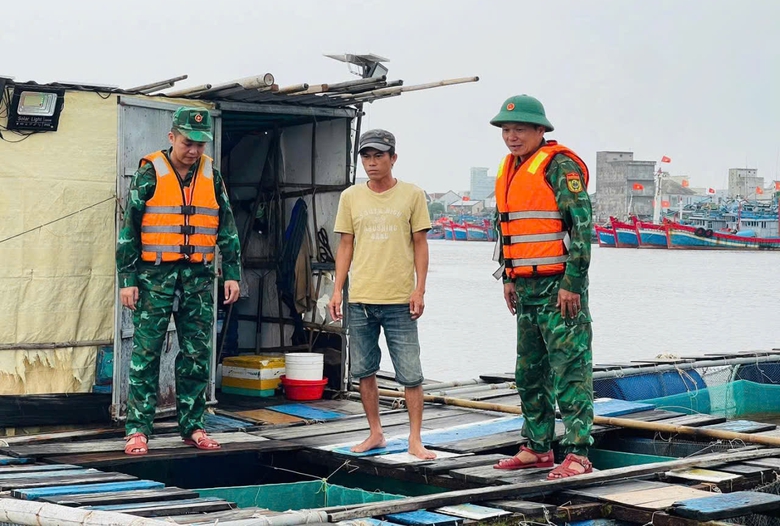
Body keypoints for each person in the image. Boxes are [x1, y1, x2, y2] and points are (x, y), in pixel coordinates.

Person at [116, 107, 242, 456]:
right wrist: (127, 278)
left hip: (199, 276)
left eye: (201, 144)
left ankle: (194, 426)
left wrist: (231, 273)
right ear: (172, 137)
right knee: (146, 352)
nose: (194, 150)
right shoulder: (149, 172)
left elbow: (227, 228)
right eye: (188, 142)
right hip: (154, 274)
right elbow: (129, 228)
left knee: (196, 353)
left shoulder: (211, 175)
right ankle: (138, 429)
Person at [489, 95, 594, 479]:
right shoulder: (510, 168)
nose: (511, 137)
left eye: (519, 129)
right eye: (506, 130)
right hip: (525, 286)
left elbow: (582, 228)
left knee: (570, 369)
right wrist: (509, 277)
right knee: (529, 371)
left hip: (558, 286)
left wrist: (573, 284)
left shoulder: (559, 166)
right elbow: (508, 230)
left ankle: (579, 454)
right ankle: (538, 447)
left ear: (540, 130)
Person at [328, 129, 436, 460]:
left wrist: (420, 289)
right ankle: (375, 432)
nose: (372, 163)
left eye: (379, 156)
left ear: (393, 158)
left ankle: (415, 439)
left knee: (410, 372)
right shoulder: (351, 197)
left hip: (400, 300)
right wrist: (336, 290)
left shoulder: (412, 195)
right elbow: (346, 244)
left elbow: (420, 243)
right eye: (366, 157)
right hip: (361, 298)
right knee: (363, 370)